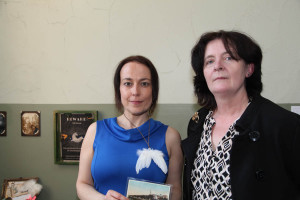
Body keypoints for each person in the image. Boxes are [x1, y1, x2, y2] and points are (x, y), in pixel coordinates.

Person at [182, 30, 300, 200]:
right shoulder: (198, 122)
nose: (218, 66)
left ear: (249, 69)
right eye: (209, 61)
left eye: (228, 58)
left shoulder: (283, 125)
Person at [76, 55, 183, 200]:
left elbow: (175, 190)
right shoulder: (95, 131)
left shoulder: (170, 137)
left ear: (154, 90)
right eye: (127, 83)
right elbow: (82, 184)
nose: (135, 92)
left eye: (144, 84)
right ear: (118, 89)